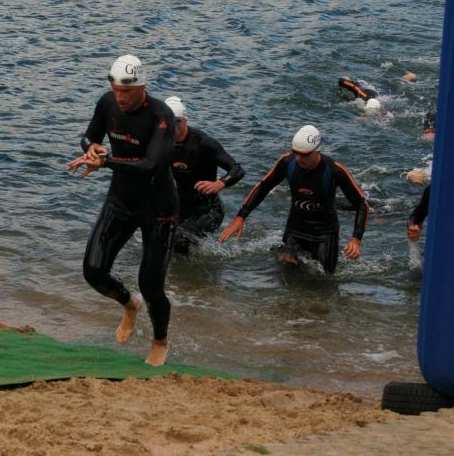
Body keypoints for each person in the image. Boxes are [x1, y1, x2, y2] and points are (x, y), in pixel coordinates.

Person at [66, 55, 177, 366]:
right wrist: (90, 148)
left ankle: (160, 340)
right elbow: (89, 136)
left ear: (142, 87)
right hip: (121, 200)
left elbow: (150, 164)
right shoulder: (107, 103)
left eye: (126, 92)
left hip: (159, 209)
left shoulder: (162, 116)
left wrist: (106, 162)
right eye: (115, 90)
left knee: (151, 285)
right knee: (93, 271)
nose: (120, 97)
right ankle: (129, 304)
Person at [219, 125, 369, 274]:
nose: (298, 158)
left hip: (324, 235)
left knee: (323, 280)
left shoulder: (334, 170)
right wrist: (241, 216)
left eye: (304, 154)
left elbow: (362, 204)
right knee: (286, 275)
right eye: (295, 152)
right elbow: (264, 187)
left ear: (316, 150)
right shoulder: (287, 162)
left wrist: (356, 239)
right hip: (295, 230)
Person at [163, 96, 244, 254]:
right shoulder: (162, 142)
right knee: (161, 239)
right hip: (181, 208)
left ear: (185, 120)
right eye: (168, 121)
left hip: (209, 210)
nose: (173, 126)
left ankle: (194, 269)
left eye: (177, 121)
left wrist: (220, 183)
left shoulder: (203, 143)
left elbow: (237, 169)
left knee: (179, 241)